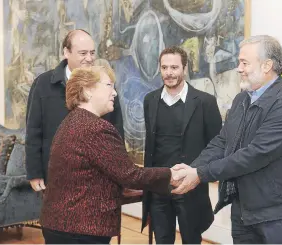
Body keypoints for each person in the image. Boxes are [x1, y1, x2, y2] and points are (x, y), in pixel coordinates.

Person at [172, 35, 282, 244]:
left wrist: (200, 174)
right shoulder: (241, 99)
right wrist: (192, 169)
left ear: (267, 65)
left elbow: (254, 155)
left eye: (244, 63)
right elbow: (222, 142)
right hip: (245, 212)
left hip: (279, 215)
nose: (239, 68)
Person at [40, 65, 181, 244]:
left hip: (60, 223)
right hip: (80, 229)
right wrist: (171, 174)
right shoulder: (95, 128)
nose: (114, 93)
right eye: (109, 86)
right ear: (88, 91)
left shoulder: (72, 121)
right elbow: (129, 175)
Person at [25, 29, 124, 192]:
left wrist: (119, 170)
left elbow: (117, 130)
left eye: (92, 53)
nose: (90, 58)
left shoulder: (106, 83)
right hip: (56, 175)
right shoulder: (43, 84)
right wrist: (34, 172)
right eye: (83, 53)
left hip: (97, 176)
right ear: (66, 52)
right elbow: (33, 131)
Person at [142, 46, 222, 244]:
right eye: (164, 67)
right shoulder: (150, 100)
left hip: (190, 189)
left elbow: (217, 145)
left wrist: (203, 173)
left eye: (174, 67)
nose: (169, 73)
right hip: (159, 186)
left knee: (192, 240)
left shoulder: (205, 102)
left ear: (185, 69)